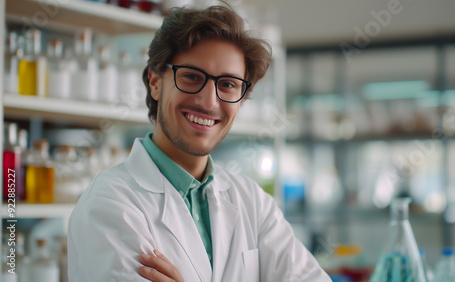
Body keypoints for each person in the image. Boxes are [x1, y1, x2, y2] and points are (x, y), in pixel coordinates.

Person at [67, 3, 330, 282]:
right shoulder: (110, 205)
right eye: (192, 77)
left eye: (228, 84)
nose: (209, 102)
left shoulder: (252, 202)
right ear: (155, 82)